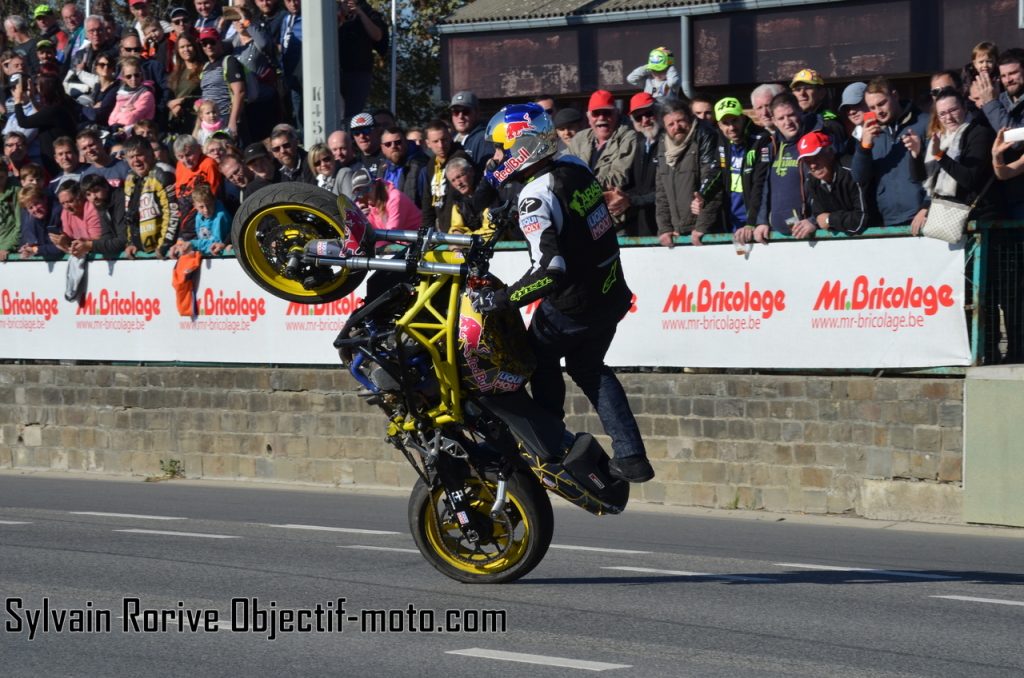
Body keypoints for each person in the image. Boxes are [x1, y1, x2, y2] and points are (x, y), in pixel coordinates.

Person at [471, 102, 653, 483]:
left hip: (574, 303)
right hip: (610, 292)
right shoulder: (574, 166)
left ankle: (546, 438)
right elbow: (569, 214)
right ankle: (632, 457)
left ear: (524, 145)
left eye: (502, 149)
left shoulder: (535, 197)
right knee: (590, 368)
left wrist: (500, 300)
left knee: (529, 356)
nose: (497, 157)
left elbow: (551, 269)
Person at [852, 76, 930, 228]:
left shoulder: (923, 123)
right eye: (872, 108)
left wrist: (927, 206)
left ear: (895, 95)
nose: (878, 112)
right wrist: (864, 146)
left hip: (923, 217)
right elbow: (859, 178)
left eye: (882, 103)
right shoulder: (868, 133)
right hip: (889, 219)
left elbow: (939, 172)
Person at [751, 92, 820, 242]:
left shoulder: (813, 144)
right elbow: (764, 187)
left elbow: (827, 186)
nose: (787, 122)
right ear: (774, 121)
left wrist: (814, 220)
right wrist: (761, 221)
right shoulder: (771, 148)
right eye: (781, 118)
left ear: (800, 113)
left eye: (791, 115)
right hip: (775, 235)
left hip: (810, 233)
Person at [655, 97, 721, 247]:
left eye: (680, 121)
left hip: (703, 233)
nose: (676, 127)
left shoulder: (704, 136)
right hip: (678, 234)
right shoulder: (663, 146)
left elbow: (713, 186)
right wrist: (665, 228)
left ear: (690, 119)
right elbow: (661, 193)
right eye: (670, 124)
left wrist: (702, 227)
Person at [798, 130, 877, 236]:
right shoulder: (812, 180)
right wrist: (816, 222)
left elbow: (861, 220)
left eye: (816, 157)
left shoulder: (852, 171)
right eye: (807, 161)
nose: (813, 166)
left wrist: (830, 220)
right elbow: (819, 216)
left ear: (830, 152)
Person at [975, 48, 1024, 217]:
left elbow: (1015, 139)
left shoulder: (993, 102)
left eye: (1013, 73)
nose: (1008, 80)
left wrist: (989, 103)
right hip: (1000, 199)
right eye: (1003, 76)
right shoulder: (999, 100)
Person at [605, 92, 661, 237]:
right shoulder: (638, 144)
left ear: (659, 112)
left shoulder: (668, 143)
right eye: (638, 117)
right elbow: (636, 186)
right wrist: (619, 196)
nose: (644, 121)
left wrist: (630, 200)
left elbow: (667, 191)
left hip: (665, 229)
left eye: (649, 114)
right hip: (640, 226)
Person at [713, 96, 769, 239]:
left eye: (734, 121)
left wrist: (752, 221)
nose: (731, 127)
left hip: (754, 223)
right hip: (730, 220)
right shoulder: (720, 140)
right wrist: (702, 195)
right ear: (719, 125)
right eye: (725, 123)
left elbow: (760, 184)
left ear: (743, 118)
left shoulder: (760, 139)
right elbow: (717, 173)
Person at [120, 136, 180, 258]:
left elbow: (173, 212)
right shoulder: (130, 178)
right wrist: (131, 243)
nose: (136, 160)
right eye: (131, 157)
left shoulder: (163, 173)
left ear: (151, 153)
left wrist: (165, 245)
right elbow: (129, 215)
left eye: (140, 155)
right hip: (141, 253)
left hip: (165, 253)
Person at [566, 89, 637, 189]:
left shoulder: (628, 137)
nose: (601, 117)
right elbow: (566, 170)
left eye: (607, 113)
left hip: (610, 201)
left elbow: (619, 176)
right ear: (589, 117)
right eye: (596, 113)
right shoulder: (579, 139)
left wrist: (583, 184)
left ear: (616, 114)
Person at [11, 71, 77, 176]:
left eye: (38, 86)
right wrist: (32, 98)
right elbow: (42, 114)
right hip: (57, 158)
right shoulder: (61, 105)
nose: (36, 88)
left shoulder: (54, 110)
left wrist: (17, 100)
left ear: (46, 89)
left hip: (58, 161)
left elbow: (23, 122)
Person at [336, 0, 387, 121]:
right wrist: (340, 14)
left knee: (353, 116)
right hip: (334, 70)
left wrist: (360, 13)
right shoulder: (331, 9)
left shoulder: (368, 10)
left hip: (359, 72)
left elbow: (377, 35)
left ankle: (351, 138)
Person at [419, 118, 469, 231]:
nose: (441, 145)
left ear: (450, 137)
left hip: (462, 229)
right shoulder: (431, 164)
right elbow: (427, 200)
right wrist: (426, 230)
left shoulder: (460, 158)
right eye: (435, 141)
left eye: (444, 140)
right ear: (428, 143)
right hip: (443, 228)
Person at [198, 27, 245, 139]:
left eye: (212, 42)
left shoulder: (229, 61)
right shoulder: (205, 67)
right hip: (208, 124)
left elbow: (240, 92)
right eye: (204, 43)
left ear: (219, 42)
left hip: (225, 119)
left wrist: (233, 122)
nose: (208, 46)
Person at [351, 168, 421, 242]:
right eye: (359, 193)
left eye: (366, 189)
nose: (364, 196)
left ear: (376, 184)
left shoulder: (394, 198)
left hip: (416, 245)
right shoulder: (369, 205)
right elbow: (365, 234)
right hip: (397, 246)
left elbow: (391, 236)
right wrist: (360, 219)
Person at [68, 173, 127, 259]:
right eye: (88, 194)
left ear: (106, 187)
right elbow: (107, 236)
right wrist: (85, 245)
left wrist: (90, 245)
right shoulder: (101, 204)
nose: (93, 197)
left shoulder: (120, 199)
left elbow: (123, 241)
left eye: (96, 191)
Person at [107, 56, 156, 135]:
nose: (133, 79)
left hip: (141, 135)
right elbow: (111, 120)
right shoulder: (121, 94)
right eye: (128, 76)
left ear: (141, 75)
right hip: (123, 134)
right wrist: (124, 111)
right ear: (123, 78)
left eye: (136, 75)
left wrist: (121, 111)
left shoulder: (147, 94)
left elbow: (130, 119)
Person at [167, 29, 203, 135]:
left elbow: (206, 95)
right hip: (178, 123)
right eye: (182, 47)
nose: (186, 49)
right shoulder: (175, 73)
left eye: (189, 45)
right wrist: (171, 105)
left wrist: (182, 101)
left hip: (197, 121)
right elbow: (170, 96)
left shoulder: (204, 68)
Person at [53, 180, 103, 255]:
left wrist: (70, 242)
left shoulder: (91, 209)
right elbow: (69, 238)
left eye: (70, 201)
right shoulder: (65, 212)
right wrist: (62, 241)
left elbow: (97, 240)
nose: (66, 207)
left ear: (80, 197)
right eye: (63, 203)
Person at [380, 125, 426, 205]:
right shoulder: (383, 168)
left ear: (406, 142)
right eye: (388, 144)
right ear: (382, 148)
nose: (393, 146)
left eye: (398, 142)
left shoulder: (420, 165)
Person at [181, 182, 230, 255]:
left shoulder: (220, 216)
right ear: (195, 206)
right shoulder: (198, 216)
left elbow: (215, 244)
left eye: (209, 205)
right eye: (201, 207)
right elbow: (201, 238)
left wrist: (193, 244)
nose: (206, 210)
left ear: (213, 200)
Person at [17, 185, 64, 260]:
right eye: (30, 207)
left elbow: (61, 247)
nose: (35, 209)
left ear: (44, 199)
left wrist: (35, 249)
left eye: (37, 203)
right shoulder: (31, 220)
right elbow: (29, 242)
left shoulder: (58, 213)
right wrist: (26, 248)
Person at [449, 90, 490, 169]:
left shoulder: (483, 139)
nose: (460, 116)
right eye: (456, 112)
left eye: (466, 111)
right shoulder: (452, 139)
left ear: (477, 113)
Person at [349, 111, 386, 178]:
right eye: (356, 132)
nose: (361, 136)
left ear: (377, 131)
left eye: (366, 130)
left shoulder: (387, 156)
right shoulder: (353, 161)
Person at [327, 129, 361, 198]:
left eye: (343, 148)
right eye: (334, 150)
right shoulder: (327, 173)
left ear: (351, 148)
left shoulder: (358, 171)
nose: (339, 153)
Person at [0, 162, 18, 261]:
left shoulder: (15, 190)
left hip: (8, 250)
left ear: (7, 174)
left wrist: (8, 247)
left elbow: (20, 225)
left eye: (1, 177)